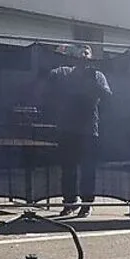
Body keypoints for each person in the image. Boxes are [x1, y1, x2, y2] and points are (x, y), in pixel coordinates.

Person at [48, 44, 111, 218]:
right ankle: (69, 202)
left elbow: (107, 96)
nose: (84, 55)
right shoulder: (66, 73)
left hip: (89, 129)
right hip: (67, 128)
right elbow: (50, 75)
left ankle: (86, 204)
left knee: (88, 170)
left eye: (87, 53)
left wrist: (93, 83)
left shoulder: (97, 75)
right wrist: (59, 54)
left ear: (91, 57)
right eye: (80, 53)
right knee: (68, 169)